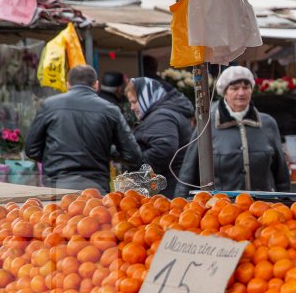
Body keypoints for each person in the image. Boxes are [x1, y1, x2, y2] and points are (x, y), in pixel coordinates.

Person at [175, 66, 290, 197]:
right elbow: (188, 174)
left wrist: (285, 202)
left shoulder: (268, 124)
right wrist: (181, 206)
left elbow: (281, 174)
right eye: (234, 88)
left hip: (263, 210)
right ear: (225, 92)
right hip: (221, 211)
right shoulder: (207, 125)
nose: (241, 93)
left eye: (246, 87)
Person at [25, 65, 142, 193]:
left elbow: (32, 150)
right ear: (96, 85)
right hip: (96, 187)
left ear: (68, 84)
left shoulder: (49, 105)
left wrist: (56, 157)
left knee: (57, 214)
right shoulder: (110, 110)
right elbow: (133, 155)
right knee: (93, 213)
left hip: (56, 185)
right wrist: (106, 151)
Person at [125, 77, 194, 198]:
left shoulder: (161, 116)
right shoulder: (164, 113)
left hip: (168, 191)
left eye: (134, 102)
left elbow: (163, 149)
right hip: (171, 187)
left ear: (146, 96)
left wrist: (135, 163)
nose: (132, 107)